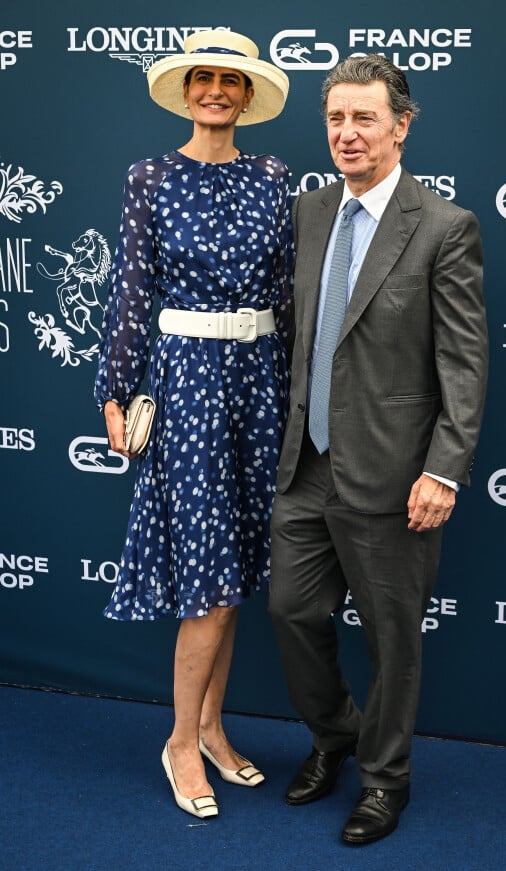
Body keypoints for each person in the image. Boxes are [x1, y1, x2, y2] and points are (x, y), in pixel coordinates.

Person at [268, 53, 488, 845]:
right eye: (336, 119)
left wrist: (443, 467)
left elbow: (463, 363)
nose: (348, 133)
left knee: (393, 642)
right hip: (306, 465)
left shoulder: (443, 227)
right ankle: (335, 739)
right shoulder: (311, 212)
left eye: (365, 118)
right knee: (292, 612)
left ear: (401, 126)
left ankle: (385, 780)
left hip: (397, 476)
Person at [94, 30, 292, 820]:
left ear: (247, 97)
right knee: (207, 570)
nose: (215, 90)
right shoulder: (150, 175)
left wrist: (294, 400)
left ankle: (212, 725)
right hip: (188, 385)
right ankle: (180, 739)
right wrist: (114, 390)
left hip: (260, 384)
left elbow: (283, 291)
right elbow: (133, 289)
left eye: (230, 81)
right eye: (203, 78)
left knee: (237, 562)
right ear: (186, 92)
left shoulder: (274, 175)